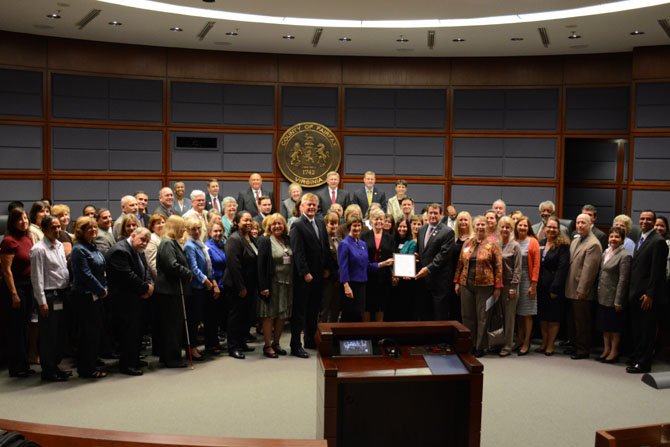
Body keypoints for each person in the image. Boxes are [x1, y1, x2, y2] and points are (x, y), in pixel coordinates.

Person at [289, 193, 333, 357]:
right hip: (304, 277)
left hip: (319, 276)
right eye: (308, 204)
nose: (312, 207)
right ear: (301, 206)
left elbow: (324, 247)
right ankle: (295, 345)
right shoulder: (297, 225)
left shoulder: (320, 223)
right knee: (300, 312)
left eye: (314, 205)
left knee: (313, 311)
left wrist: (327, 267)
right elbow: (298, 252)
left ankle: (309, 340)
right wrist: (305, 272)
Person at [106, 228, 154, 376]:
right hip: (124, 300)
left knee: (137, 331)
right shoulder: (120, 251)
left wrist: (147, 286)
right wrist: (146, 288)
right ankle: (127, 365)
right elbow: (127, 276)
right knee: (128, 333)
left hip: (136, 297)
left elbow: (145, 270)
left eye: (147, 241)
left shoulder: (136, 249)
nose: (144, 244)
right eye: (142, 240)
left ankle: (133, 359)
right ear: (133, 236)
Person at [454, 215, 503, 357]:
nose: (480, 227)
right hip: (466, 284)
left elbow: (499, 266)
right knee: (468, 316)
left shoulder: (493, 244)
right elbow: (460, 264)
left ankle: (480, 346)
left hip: (485, 285)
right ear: (473, 227)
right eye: (478, 225)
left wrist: (498, 286)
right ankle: (471, 344)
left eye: (483, 225)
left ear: (487, 227)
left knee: (482, 317)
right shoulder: (467, 243)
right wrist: (457, 281)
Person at [626, 210, 668, 373]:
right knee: (637, 328)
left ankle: (644, 363)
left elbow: (657, 272)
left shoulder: (658, 241)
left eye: (648, 219)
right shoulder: (641, 238)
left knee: (646, 330)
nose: (644, 221)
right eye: (642, 219)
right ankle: (637, 356)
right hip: (636, 293)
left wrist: (650, 294)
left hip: (647, 296)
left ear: (654, 221)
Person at [30, 215, 70, 381]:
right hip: (49, 295)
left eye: (59, 226)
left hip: (62, 293)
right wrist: (42, 302)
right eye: (53, 227)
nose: (57, 230)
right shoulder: (38, 249)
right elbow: (36, 277)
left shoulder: (60, 244)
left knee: (59, 334)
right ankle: (48, 371)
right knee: (48, 335)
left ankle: (55, 366)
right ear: (45, 230)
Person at [70, 216, 108, 379]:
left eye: (94, 227)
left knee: (94, 332)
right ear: (80, 231)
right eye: (88, 228)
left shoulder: (92, 246)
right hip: (84, 297)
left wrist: (104, 287)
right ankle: (86, 369)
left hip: (96, 295)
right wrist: (101, 289)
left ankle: (91, 362)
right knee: (87, 334)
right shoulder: (79, 249)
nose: (93, 230)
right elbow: (85, 274)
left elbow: (101, 270)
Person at [338, 216, 393, 322]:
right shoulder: (344, 244)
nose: (357, 228)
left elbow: (367, 265)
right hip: (350, 286)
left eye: (359, 226)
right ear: (349, 227)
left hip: (362, 285)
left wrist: (383, 264)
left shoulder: (362, 244)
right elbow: (342, 267)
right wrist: (346, 285)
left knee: (359, 316)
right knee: (349, 317)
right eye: (354, 226)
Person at [1, 208, 34, 378]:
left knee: (25, 327)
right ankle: (15, 366)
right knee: (16, 328)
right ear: (13, 222)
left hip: (29, 286)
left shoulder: (28, 238)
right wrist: (14, 293)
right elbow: (6, 270)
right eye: (19, 219)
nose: (24, 221)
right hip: (16, 287)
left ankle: (24, 363)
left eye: (25, 218)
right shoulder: (9, 241)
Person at [155, 215, 192, 368]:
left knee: (173, 325)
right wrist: (187, 272)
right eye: (182, 226)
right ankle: (172, 358)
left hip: (173, 290)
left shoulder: (173, 243)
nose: (184, 230)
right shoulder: (167, 243)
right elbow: (172, 265)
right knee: (172, 326)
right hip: (168, 291)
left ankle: (168, 356)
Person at [564, 213, 603, 360]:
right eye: (578, 223)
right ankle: (574, 345)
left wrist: (582, 289)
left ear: (590, 225)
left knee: (582, 322)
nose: (580, 225)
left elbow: (589, 271)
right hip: (570, 287)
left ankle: (583, 349)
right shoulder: (575, 240)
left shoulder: (593, 244)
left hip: (582, 290)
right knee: (573, 320)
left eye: (583, 223)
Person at [257, 213, 293, 358]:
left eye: (280, 223)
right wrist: (263, 286)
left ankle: (276, 343)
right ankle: (267, 345)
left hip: (287, 283)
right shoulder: (265, 241)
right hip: (272, 284)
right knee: (269, 315)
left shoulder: (287, 240)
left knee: (282, 314)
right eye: (274, 224)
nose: (277, 226)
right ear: (269, 226)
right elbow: (260, 265)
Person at [223, 211, 258, 359]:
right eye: (245, 220)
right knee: (236, 317)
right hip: (237, 285)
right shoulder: (234, 239)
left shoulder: (249, 237)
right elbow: (233, 265)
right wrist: (241, 287)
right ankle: (233, 347)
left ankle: (242, 342)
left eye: (250, 220)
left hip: (249, 284)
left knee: (246, 316)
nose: (248, 223)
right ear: (237, 222)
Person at [184, 217, 220, 360]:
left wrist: (212, 281)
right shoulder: (189, 246)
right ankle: (191, 348)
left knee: (204, 317)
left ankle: (204, 345)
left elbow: (208, 264)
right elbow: (193, 268)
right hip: (197, 287)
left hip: (205, 286)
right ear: (187, 230)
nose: (197, 231)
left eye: (199, 228)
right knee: (194, 320)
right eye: (194, 229)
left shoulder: (200, 243)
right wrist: (205, 280)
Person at [596, 227, 631, 364]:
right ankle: (606, 349)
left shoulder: (625, 255)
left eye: (617, 237)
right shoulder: (606, 252)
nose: (613, 239)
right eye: (611, 237)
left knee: (614, 327)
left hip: (614, 297)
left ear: (622, 240)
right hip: (602, 295)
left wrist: (618, 300)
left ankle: (614, 351)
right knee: (605, 326)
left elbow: (623, 279)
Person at [415, 203, 456, 321]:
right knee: (425, 314)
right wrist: (416, 257)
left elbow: (443, 256)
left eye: (435, 213)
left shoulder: (447, 232)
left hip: (439, 282)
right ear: (427, 214)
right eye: (430, 213)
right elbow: (422, 251)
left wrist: (428, 269)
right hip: (424, 282)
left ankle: (439, 339)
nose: (433, 215)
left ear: (441, 214)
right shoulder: (422, 230)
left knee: (439, 315)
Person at [537, 216, 570, 356]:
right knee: (543, 317)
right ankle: (544, 342)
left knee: (553, 318)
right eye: (549, 227)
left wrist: (555, 288)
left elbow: (562, 269)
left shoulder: (563, 245)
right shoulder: (541, 242)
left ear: (558, 229)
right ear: (545, 229)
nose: (551, 229)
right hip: (541, 286)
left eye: (554, 227)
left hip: (554, 288)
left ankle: (551, 345)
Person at [361, 208, 395, 322]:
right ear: (371, 220)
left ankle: (378, 336)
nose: (379, 221)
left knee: (381, 306)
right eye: (376, 219)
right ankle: (366, 333)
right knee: (367, 305)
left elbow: (393, 256)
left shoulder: (390, 238)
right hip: (367, 276)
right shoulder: (364, 235)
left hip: (384, 277)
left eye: (381, 219)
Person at [514, 216, 540, 356]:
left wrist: (534, 284)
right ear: (516, 227)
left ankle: (526, 342)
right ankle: (519, 339)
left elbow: (536, 265)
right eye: (520, 225)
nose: (522, 227)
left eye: (525, 225)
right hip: (515, 281)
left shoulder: (533, 242)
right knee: (518, 314)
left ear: (528, 227)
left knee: (527, 314)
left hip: (528, 281)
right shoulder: (514, 241)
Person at [497, 216, 521, 357]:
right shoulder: (496, 243)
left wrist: (513, 287)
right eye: (502, 226)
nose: (504, 229)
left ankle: (507, 346)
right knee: (498, 316)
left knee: (509, 318)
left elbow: (518, 269)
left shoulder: (515, 246)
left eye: (507, 227)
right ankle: (497, 342)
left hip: (510, 286)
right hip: (497, 286)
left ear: (511, 229)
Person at [205, 220, 227, 350]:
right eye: (215, 231)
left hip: (224, 284)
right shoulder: (208, 246)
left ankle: (216, 342)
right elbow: (209, 268)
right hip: (215, 286)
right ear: (209, 233)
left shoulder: (223, 244)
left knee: (220, 316)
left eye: (220, 231)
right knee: (212, 317)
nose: (218, 233)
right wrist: (215, 285)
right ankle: (211, 344)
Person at [320, 211, 342, 323]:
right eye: (331, 223)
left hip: (338, 279)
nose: (334, 226)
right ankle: (321, 336)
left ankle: (334, 335)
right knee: (325, 308)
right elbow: (325, 259)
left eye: (336, 223)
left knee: (336, 308)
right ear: (326, 225)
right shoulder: (322, 239)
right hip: (328, 279)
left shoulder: (339, 239)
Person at [144, 214, 165, 280]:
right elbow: (152, 263)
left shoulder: (165, 237)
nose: (161, 225)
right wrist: (162, 279)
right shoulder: (151, 239)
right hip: (160, 279)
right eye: (158, 223)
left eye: (163, 222)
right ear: (152, 227)